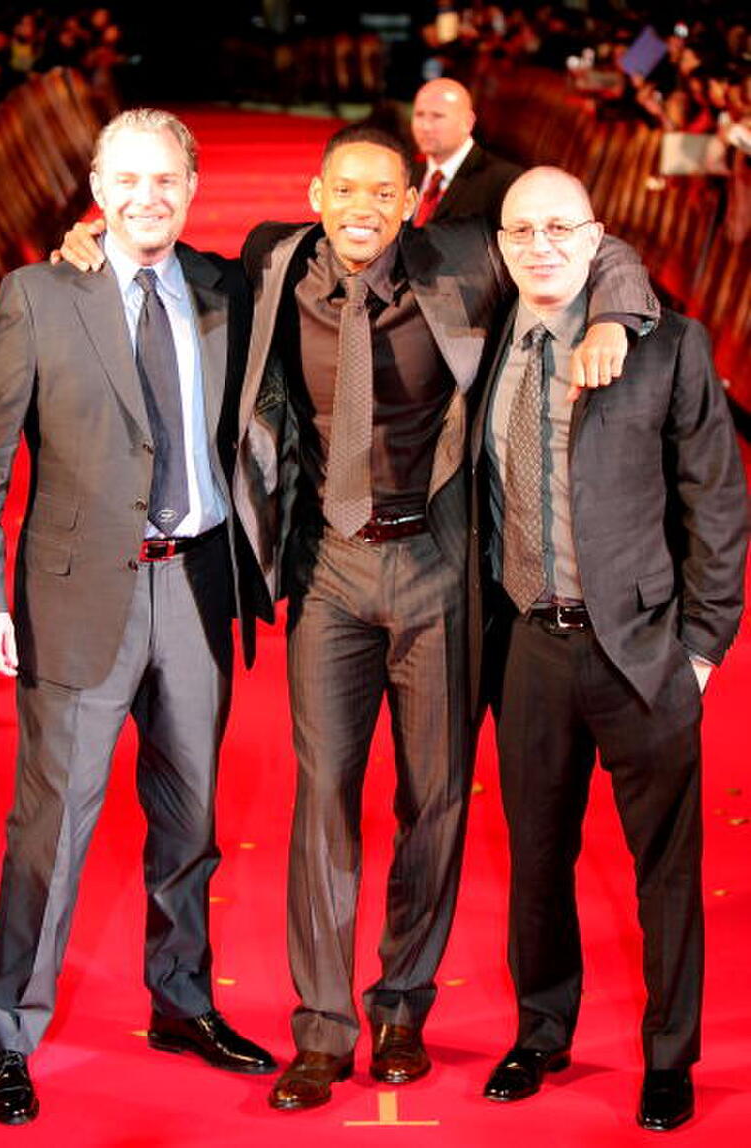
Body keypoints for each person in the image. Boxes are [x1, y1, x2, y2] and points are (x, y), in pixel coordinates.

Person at [230, 125, 659, 1111]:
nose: (363, 209)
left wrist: (616, 318)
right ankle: (323, 1027)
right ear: (316, 192)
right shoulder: (271, 258)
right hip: (329, 570)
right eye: (345, 190)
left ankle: (401, 1006)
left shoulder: (462, 254)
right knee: (323, 792)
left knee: (435, 797)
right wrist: (84, 245)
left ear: (408, 200)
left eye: (383, 192)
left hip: (434, 561)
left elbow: (603, 243)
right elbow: (170, 263)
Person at [0, 108, 275, 1127]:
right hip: (76, 596)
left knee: (191, 824)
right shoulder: (38, 296)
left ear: (192, 183)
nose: (148, 198)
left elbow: (348, 242)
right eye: (127, 179)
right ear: (95, 182)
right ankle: (9, 1031)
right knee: (53, 827)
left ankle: (181, 1002)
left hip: (194, 587)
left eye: (167, 179)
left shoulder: (230, 289)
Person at [469, 166, 747, 1131]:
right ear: (499, 245)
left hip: (643, 650)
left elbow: (717, 502)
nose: (540, 247)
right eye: (521, 232)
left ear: (597, 239)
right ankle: (541, 1029)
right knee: (538, 856)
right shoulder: (482, 336)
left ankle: (669, 1055)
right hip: (528, 646)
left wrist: (704, 646)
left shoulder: (667, 347)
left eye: (561, 229)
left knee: (664, 867)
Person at [410, 77, 521, 227]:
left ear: (468, 122)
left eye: (437, 116)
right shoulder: (406, 169)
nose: (425, 126)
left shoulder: (504, 182)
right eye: (419, 115)